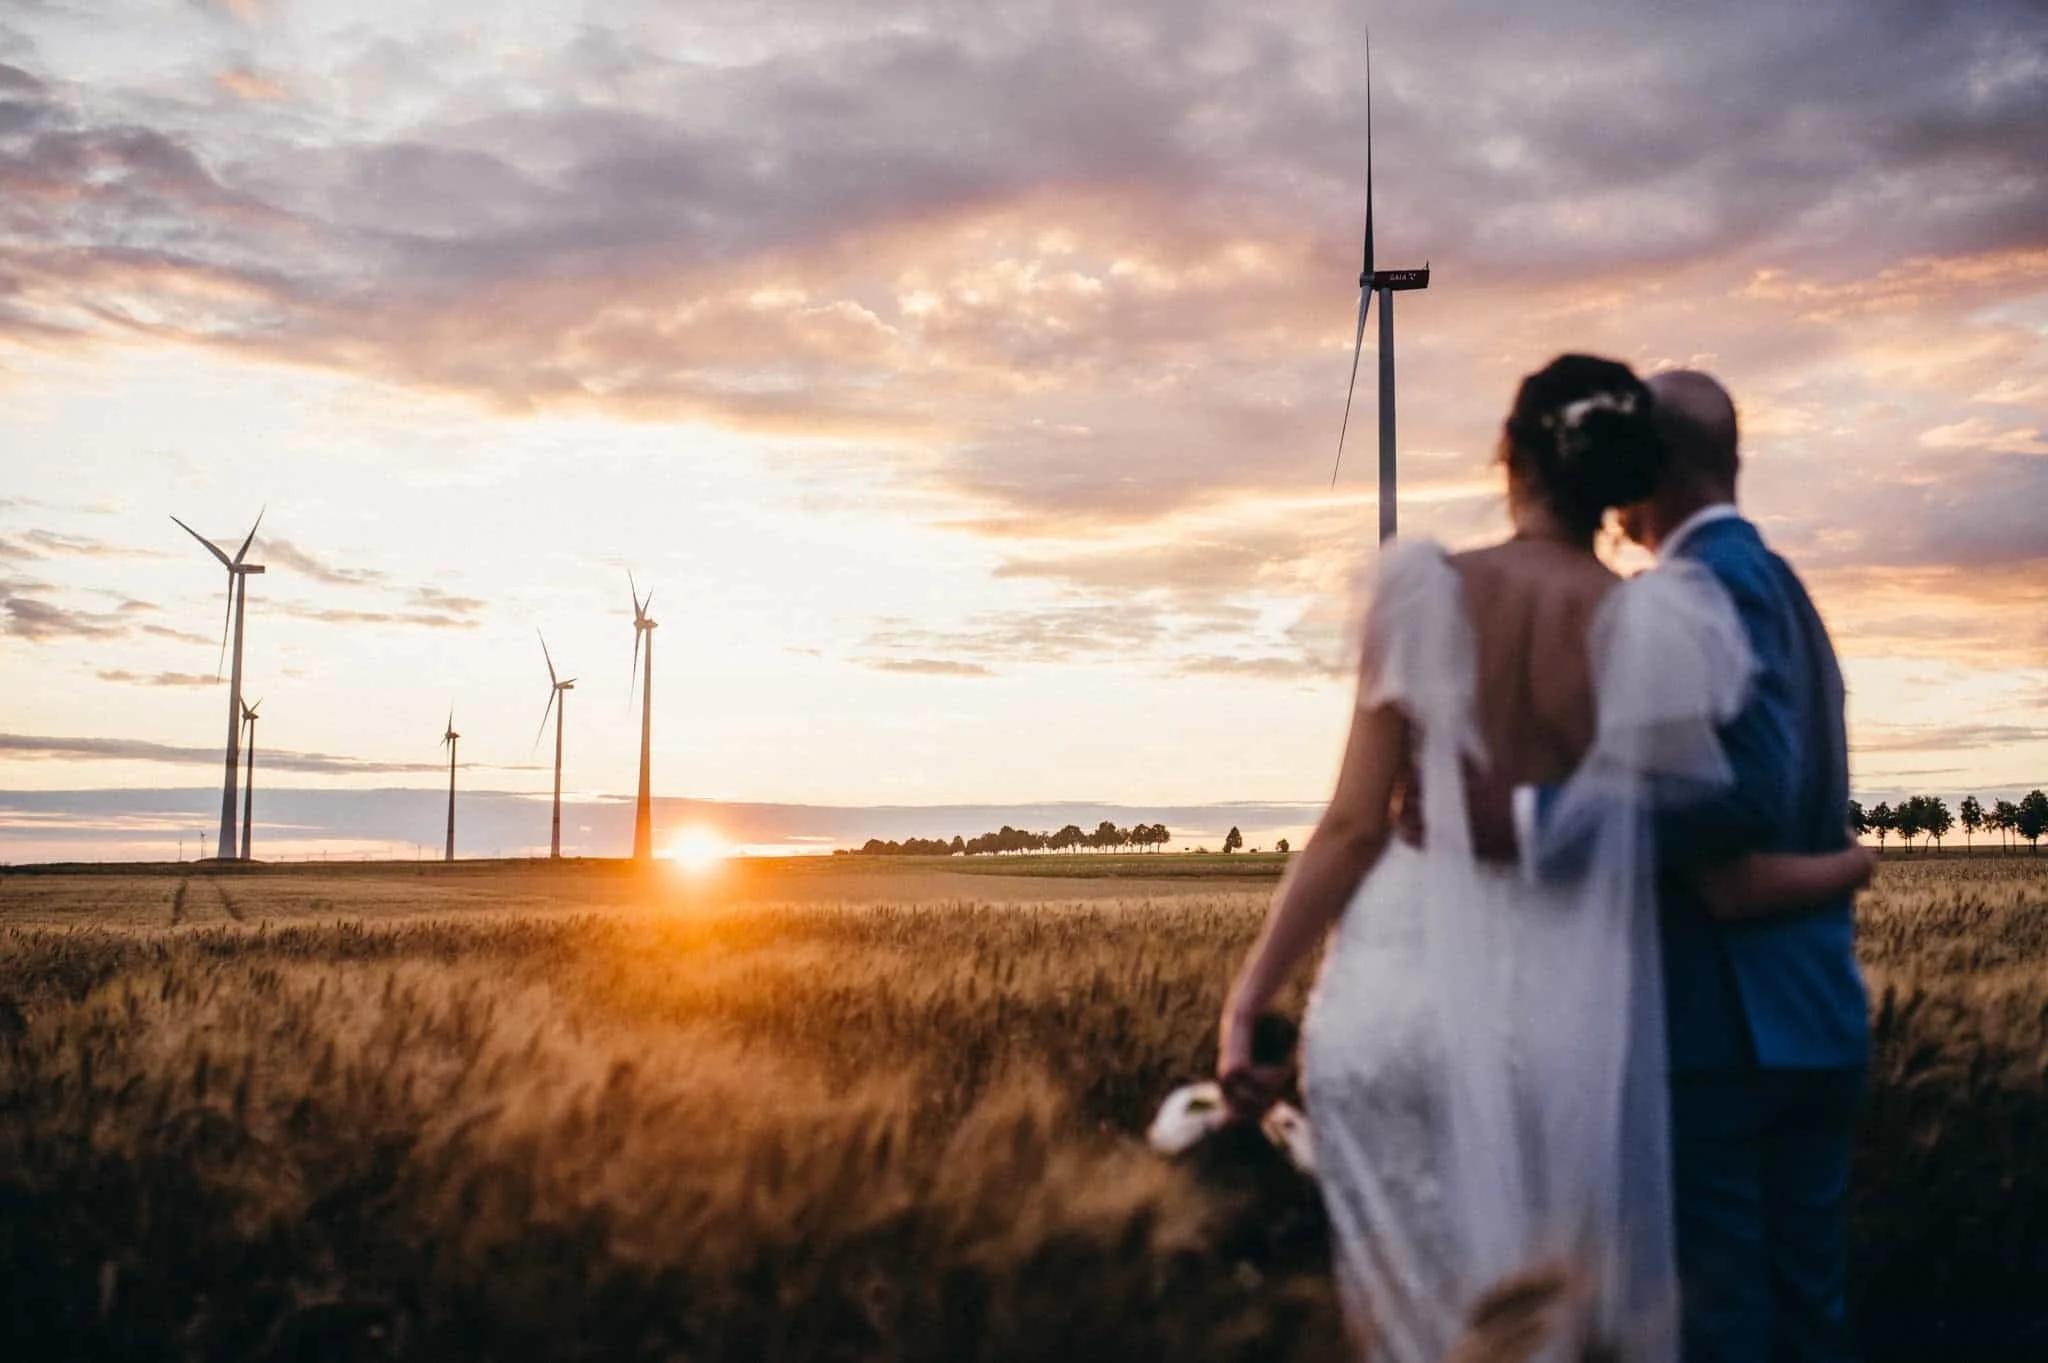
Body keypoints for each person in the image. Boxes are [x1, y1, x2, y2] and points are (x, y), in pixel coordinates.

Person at [1215, 357, 1871, 1363]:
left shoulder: (1421, 589)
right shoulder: (1652, 622)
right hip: (1568, 1016)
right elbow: (1707, 816)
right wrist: (1832, 868)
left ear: (1506, 452)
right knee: (1561, 1313)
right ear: (1618, 480)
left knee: (1411, 1314)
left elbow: (1350, 826)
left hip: (1399, 987)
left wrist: (1250, 992)